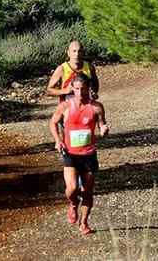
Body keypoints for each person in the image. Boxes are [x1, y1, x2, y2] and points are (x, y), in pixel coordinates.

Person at [49, 72, 109, 235]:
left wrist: (103, 129)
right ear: (72, 89)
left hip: (89, 154)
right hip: (70, 153)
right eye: (76, 89)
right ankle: (73, 204)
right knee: (72, 188)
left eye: (83, 89)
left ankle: (84, 223)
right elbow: (53, 123)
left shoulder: (96, 107)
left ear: (88, 89)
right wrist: (57, 140)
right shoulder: (65, 106)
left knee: (88, 191)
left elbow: (102, 124)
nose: (80, 92)